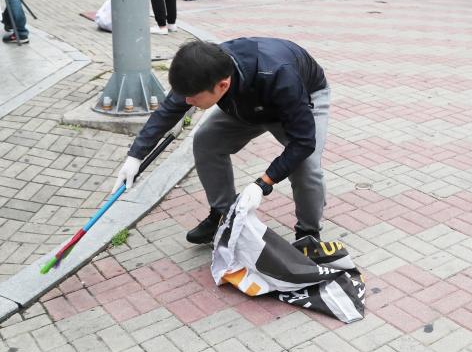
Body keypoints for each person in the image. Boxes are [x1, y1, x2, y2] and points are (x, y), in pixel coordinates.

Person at [112, 38, 330, 244]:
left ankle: (308, 233)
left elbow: (303, 142)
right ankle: (224, 216)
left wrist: (263, 183)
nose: (187, 102)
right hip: (247, 105)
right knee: (206, 140)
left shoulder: (281, 76)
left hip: (298, 102)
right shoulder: (202, 70)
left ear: (223, 85)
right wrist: (136, 155)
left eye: (193, 98)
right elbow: (169, 110)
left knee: (306, 165)